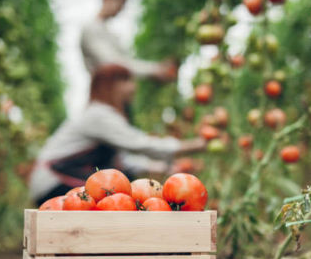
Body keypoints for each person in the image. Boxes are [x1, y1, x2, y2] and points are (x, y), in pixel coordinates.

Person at [29, 64, 205, 206]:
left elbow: (124, 162)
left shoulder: (102, 115)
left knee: (122, 187)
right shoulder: (99, 115)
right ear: (111, 85)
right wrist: (193, 145)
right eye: (127, 80)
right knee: (120, 193)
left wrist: (166, 168)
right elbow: (139, 144)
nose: (133, 87)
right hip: (53, 182)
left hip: (59, 179)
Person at [80, 0, 174, 80]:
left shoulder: (108, 32)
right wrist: (155, 69)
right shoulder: (91, 28)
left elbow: (123, 61)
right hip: (104, 91)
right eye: (121, 2)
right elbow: (112, 63)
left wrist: (156, 68)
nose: (121, 8)